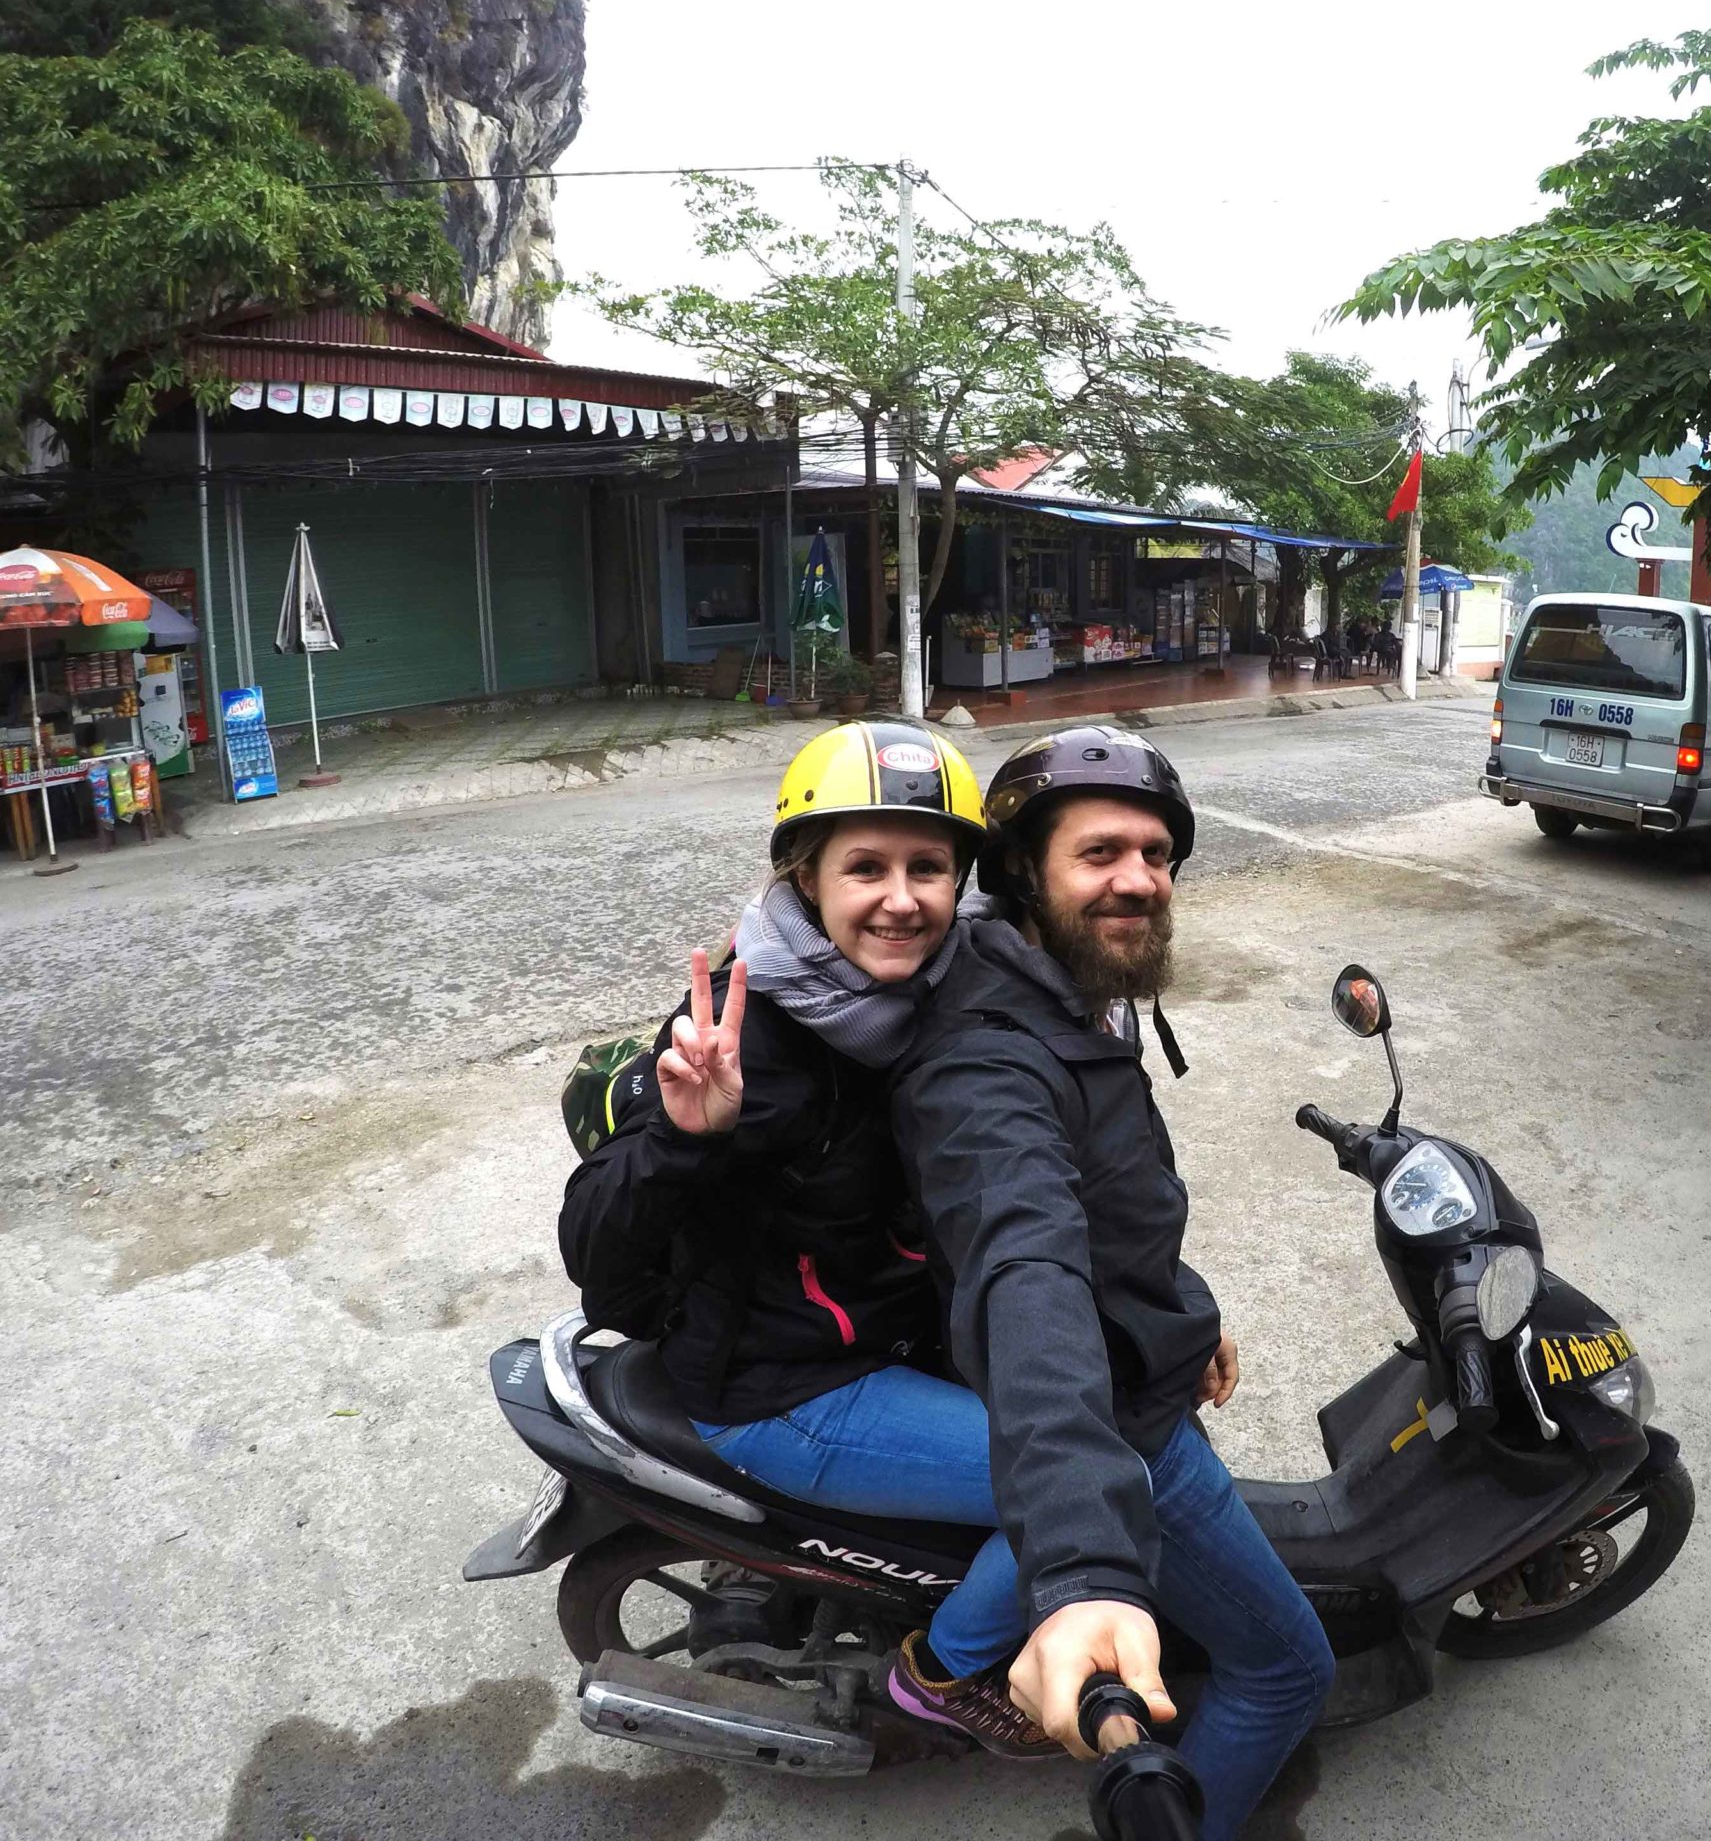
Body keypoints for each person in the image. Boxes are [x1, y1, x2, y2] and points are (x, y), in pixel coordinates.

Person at [554, 719, 1057, 1758]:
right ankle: (948, 1672)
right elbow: (596, 1250)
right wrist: (688, 1141)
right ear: (804, 876)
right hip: (788, 1388)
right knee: (1088, 1480)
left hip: (892, 1327)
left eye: (928, 867)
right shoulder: (753, 1041)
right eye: (864, 867)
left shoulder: (940, 996)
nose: (900, 898)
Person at [890, 726, 1335, 1841]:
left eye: (1155, 853)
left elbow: (1112, 1197)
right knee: (1287, 1668)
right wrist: (1088, 1570)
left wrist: (1188, 1310)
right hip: (1119, 1420)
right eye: (1099, 854)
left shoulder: (1070, 985)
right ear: (1023, 876)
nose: (1137, 878)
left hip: (1143, 1359)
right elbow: (1027, 1261)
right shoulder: (987, 1058)